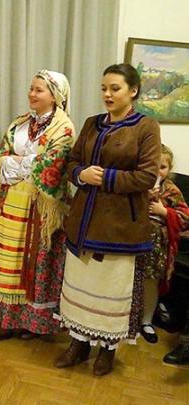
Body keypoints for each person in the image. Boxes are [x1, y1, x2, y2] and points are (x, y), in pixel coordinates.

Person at [55, 63, 161, 376]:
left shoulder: (146, 127)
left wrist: (104, 178)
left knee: (112, 292)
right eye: (104, 88)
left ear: (133, 91)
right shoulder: (92, 123)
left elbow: (147, 176)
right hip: (84, 221)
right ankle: (78, 344)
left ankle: (107, 350)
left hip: (120, 226)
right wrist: (80, 174)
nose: (107, 94)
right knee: (80, 286)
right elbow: (72, 162)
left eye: (115, 88)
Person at [0, 70, 75, 344]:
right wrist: (15, 162)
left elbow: (53, 164)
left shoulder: (64, 128)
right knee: (6, 262)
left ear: (55, 96)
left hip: (40, 207)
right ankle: (1, 322)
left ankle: (31, 323)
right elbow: (1, 153)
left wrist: (15, 162)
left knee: (33, 262)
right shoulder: (19, 123)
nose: (32, 93)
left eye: (39, 90)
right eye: (31, 88)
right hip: (11, 202)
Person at [137, 145, 189, 343]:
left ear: (170, 169)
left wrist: (165, 212)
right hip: (134, 240)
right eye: (153, 166)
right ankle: (127, 318)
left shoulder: (172, 190)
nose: (158, 171)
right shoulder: (136, 184)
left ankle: (147, 321)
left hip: (157, 247)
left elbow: (185, 216)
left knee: (150, 283)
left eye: (163, 167)